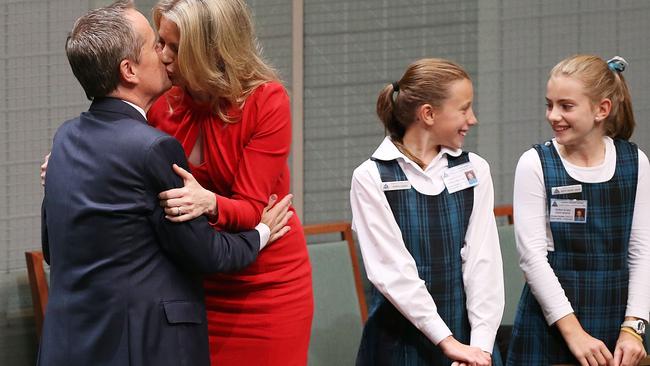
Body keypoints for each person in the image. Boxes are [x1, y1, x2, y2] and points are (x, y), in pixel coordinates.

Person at [39, 1, 291, 365]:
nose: (162, 54)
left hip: (73, 340)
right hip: (141, 341)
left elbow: (54, 247)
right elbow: (205, 252)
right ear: (129, 70)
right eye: (154, 45)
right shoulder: (154, 144)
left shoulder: (64, 139)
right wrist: (263, 232)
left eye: (169, 44)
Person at [146, 0, 313, 364]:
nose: (163, 56)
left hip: (267, 282)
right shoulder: (161, 106)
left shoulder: (266, 101)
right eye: (161, 43)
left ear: (210, 50)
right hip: (195, 281)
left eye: (175, 47)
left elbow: (254, 209)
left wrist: (210, 203)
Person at [350, 58, 504, 366]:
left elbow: (483, 263)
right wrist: (446, 341)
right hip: (399, 345)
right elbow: (392, 272)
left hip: (469, 340)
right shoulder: (371, 177)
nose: (472, 119)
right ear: (428, 114)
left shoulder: (475, 169)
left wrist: (480, 348)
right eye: (464, 108)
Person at [507, 55, 650, 366]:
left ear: (602, 109)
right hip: (551, 325)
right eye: (549, 105)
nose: (553, 115)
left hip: (619, 326)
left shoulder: (635, 162)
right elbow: (532, 258)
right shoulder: (535, 163)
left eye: (566, 106)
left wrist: (634, 327)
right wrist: (573, 333)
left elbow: (641, 251)